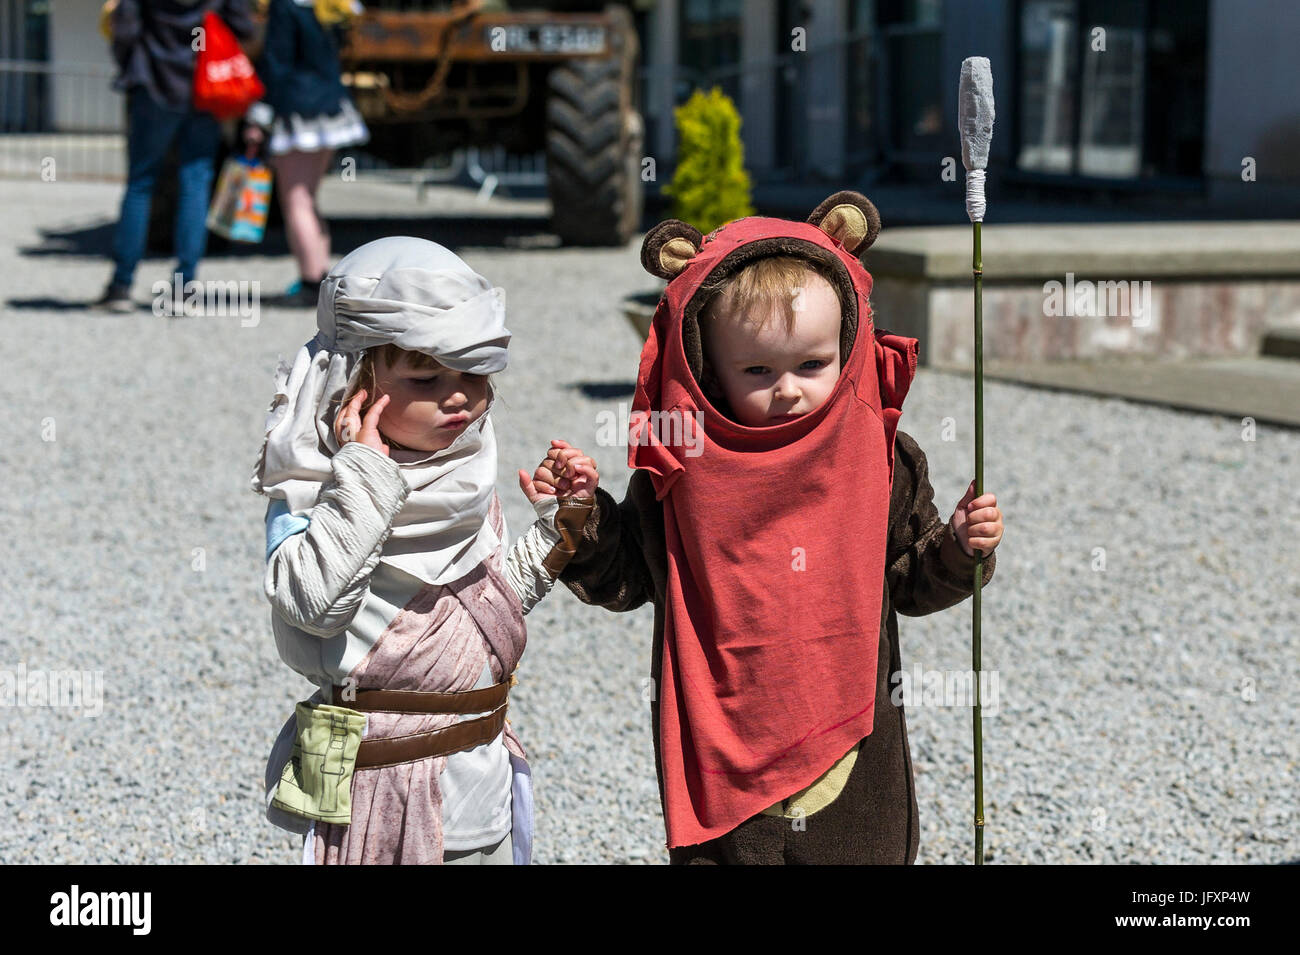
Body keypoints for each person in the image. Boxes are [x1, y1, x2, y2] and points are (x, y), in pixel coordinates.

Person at [551, 191, 1005, 864]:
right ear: (709, 366)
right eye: (758, 371)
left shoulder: (879, 459)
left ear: (847, 348)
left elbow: (911, 580)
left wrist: (961, 548)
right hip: (720, 749)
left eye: (812, 365)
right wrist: (584, 517)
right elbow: (625, 578)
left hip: (852, 748)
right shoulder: (679, 469)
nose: (788, 387)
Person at [252, 236, 599, 864]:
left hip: (477, 773)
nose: (457, 394)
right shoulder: (308, 492)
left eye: (472, 372)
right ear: (351, 382)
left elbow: (484, 606)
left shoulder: (462, 477)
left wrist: (558, 526)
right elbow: (312, 608)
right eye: (425, 376)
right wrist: (364, 482)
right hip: (372, 781)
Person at [97, 0, 257, 312]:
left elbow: (126, 28)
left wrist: (129, 65)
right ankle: (184, 287)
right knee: (196, 182)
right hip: (205, 84)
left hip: (153, 84)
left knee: (140, 183)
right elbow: (245, 26)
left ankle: (121, 285)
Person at [245, 0, 370, 307]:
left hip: (298, 110)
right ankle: (321, 278)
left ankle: (311, 283)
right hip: (331, 106)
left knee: (296, 201)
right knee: (308, 199)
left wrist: (259, 117)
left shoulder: (285, 6)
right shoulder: (334, 5)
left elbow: (277, 63)